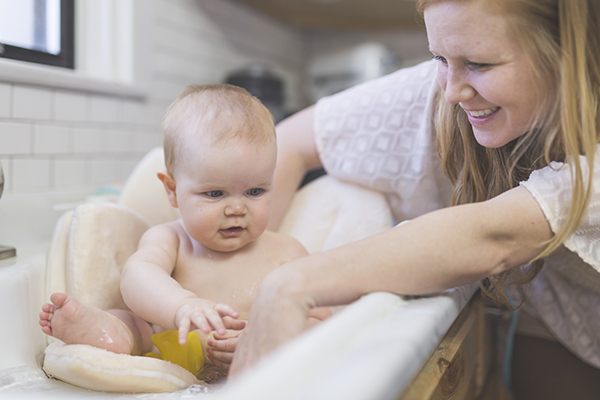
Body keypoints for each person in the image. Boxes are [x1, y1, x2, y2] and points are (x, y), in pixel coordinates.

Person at [229, 0, 600, 398]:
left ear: (566, 54)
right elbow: (290, 143)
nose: (453, 91)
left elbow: (494, 238)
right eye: (439, 57)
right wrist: (238, 291)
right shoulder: (442, 89)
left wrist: (287, 283)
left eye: (480, 64)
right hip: (553, 317)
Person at [39, 84, 330, 378]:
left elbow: (321, 320)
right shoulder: (171, 240)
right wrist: (182, 306)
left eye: (255, 191)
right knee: (135, 325)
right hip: (169, 350)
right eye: (215, 194)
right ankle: (108, 332)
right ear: (173, 190)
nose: (236, 209)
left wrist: (269, 338)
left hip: (255, 364)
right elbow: (136, 278)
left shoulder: (287, 252)